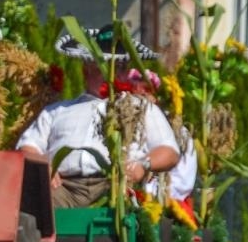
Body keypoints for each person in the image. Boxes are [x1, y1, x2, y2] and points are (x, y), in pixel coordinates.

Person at [16, 25, 179, 208]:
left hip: (116, 186)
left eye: (119, 67)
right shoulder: (57, 111)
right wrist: (42, 166)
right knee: (27, 204)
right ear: (86, 70)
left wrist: (143, 165)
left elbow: (169, 151)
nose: (111, 73)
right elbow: (27, 146)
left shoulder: (140, 108)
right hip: (63, 187)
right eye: (103, 66)